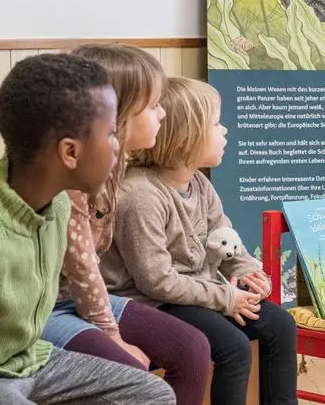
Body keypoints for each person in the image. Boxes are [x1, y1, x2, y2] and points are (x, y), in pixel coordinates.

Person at [0, 53, 175, 404]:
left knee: (152, 394)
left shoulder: (59, 206)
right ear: (70, 152)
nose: (118, 147)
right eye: (111, 134)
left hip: (32, 360)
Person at [103, 76, 298, 404]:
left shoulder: (200, 184)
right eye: (216, 124)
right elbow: (156, 282)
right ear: (185, 138)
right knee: (233, 347)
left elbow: (226, 239)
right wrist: (225, 297)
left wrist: (249, 272)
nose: (225, 131)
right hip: (152, 303)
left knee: (280, 325)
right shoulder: (140, 196)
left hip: (198, 295)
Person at [39, 44, 209, 405]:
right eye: (153, 105)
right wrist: (112, 335)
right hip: (41, 310)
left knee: (191, 347)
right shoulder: (69, 178)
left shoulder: (113, 165)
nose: (163, 113)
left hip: (78, 299)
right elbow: (83, 268)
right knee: (132, 375)